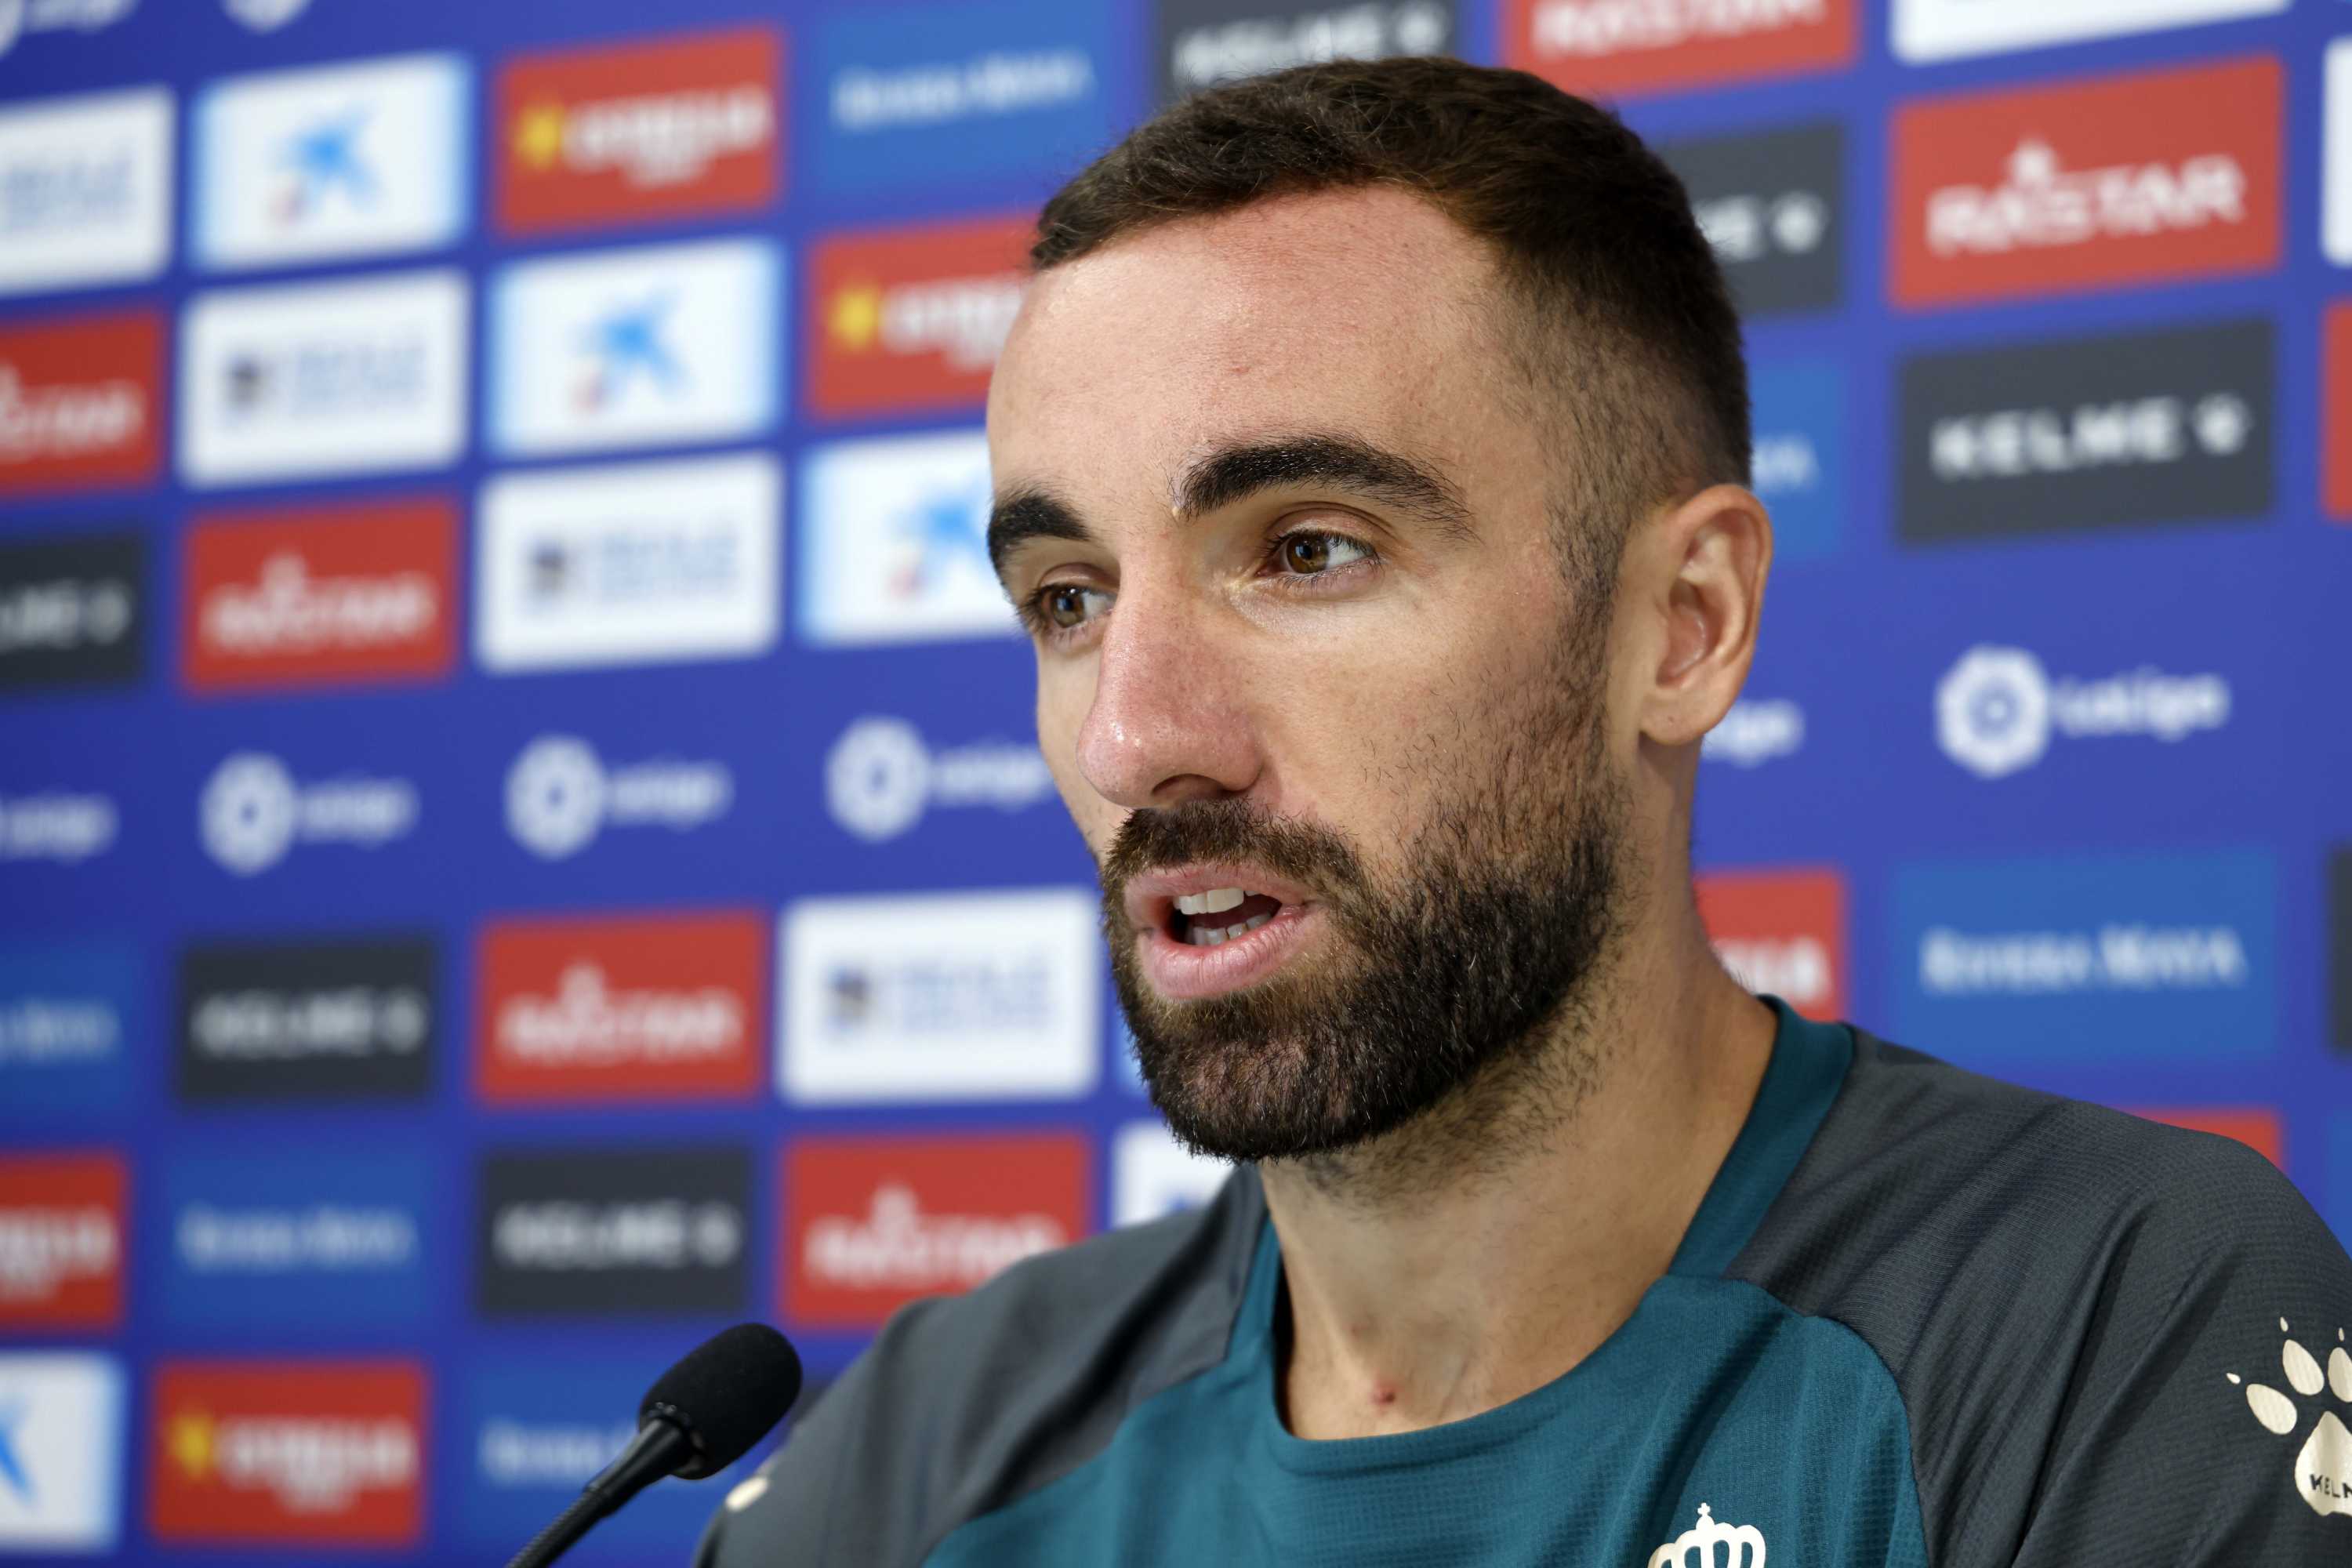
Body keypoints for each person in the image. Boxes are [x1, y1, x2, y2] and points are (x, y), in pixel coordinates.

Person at [702, 57, 2351, 1566]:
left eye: (1307, 552)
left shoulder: (2109, 1320)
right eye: (1068, 598)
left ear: (1683, 626)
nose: (1137, 739)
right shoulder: (925, 1454)